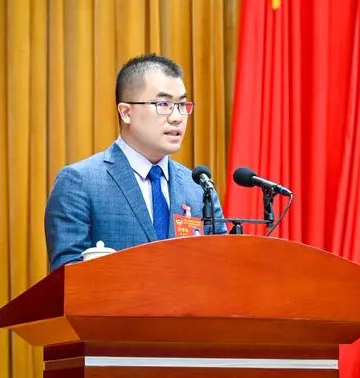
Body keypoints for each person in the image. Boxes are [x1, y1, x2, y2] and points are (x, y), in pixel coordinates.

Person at [45, 54, 226, 271]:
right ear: (126, 112)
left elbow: (222, 268)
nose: (177, 117)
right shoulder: (80, 183)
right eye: (163, 104)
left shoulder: (198, 187)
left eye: (181, 105)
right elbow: (68, 277)